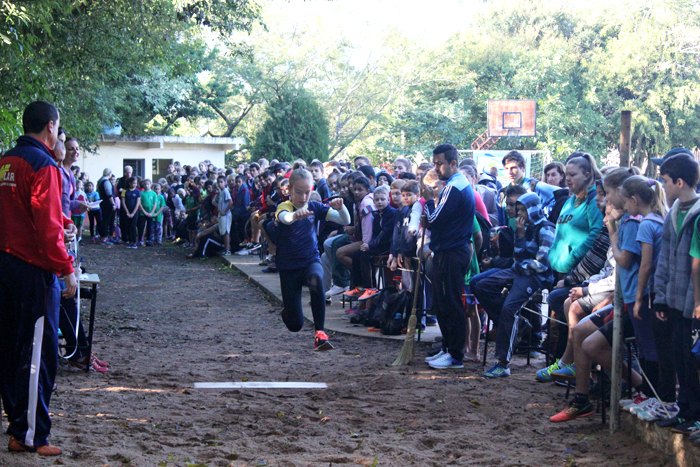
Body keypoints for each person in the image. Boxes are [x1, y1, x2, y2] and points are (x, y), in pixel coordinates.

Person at [0, 101, 77, 456]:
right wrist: (66, 269)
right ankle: (30, 435)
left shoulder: (5, 160)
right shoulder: (44, 164)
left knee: (11, 348)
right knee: (37, 354)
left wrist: (61, 222)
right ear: (50, 126)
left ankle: (18, 424)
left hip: (5, 265)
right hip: (32, 270)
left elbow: (26, 213)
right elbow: (46, 230)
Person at [471, 193, 555, 377]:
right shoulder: (523, 227)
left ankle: (503, 364)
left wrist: (518, 265)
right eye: (519, 210)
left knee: (510, 308)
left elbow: (542, 264)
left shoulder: (546, 229)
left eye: (523, 209)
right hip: (520, 269)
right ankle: (518, 324)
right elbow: (519, 256)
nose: (520, 214)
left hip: (536, 276)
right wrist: (521, 235)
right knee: (478, 283)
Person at [275, 168, 350, 350]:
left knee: (317, 281)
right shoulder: (284, 207)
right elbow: (284, 218)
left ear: (312, 189)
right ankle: (288, 312)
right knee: (295, 325)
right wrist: (294, 215)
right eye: (298, 192)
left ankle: (320, 334)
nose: (303, 197)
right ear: (290, 190)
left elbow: (344, 221)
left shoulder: (315, 207)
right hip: (289, 267)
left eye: (307, 192)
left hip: (310, 260)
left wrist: (342, 208)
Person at [654, 154, 700, 433]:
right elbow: (664, 260)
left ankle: (695, 413)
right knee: (680, 357)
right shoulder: (673, 213)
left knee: (693, 360)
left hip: (693, 304)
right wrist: (660, 295)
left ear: (680, 182)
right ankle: (685, 411)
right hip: (674, 300)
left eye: (666, 181)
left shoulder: (697, 214)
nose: (663, 186)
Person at [422, 143, 475, 370]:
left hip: (453, 252)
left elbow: (434, 221)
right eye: (434, 163)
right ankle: (447, 348)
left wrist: (426, 203)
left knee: (451, 302)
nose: (436, 168)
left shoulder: (455, 187)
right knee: (443, 302)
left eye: (440, 163)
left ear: (453, 163)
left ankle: (455, 355)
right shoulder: (454, 186)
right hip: (447, 250)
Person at [549, 153, 604, 276]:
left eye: (572, 175)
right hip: (560, 270)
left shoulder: (594, 200)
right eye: (566, 175)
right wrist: (552, 255)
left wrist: (573, 257)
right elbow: (559, 233)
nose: (567, 179)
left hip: (580, 272)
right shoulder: (569, 201)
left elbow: (596, 235)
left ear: (586, 176)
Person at [349, 185, 396, 302]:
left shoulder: (391, 213)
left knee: (366, 255)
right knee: (357, 254)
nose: (379, 202)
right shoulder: (376, 213)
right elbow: (375, 233)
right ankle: (358, 286)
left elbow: (385, 233)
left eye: (382, 199)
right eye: (377, 200)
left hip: (387, 245)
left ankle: (370, 287)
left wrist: (370, 245)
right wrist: (368, 244)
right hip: (377, 244)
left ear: (388, 200)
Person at [96, 168, 116, 245]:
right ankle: (104, 237)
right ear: (110, 174)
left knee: (104, 220)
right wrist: (113, 203)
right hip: (107, 203)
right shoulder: (106, 182)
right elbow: (109, 194)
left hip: (103, 203)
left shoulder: (100, 180)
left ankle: (104, 236)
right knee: (106, 220)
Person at [121, 176, 141, 249]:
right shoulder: (125, 191)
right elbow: (123, 202)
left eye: (136, 183)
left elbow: (138, 202)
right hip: (126, 211)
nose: (135, 185)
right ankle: (129, 241)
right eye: (133, 183)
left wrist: (133, 213)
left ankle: (134, 241)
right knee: (128, 226)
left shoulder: (137, 191)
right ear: (129, 183)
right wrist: (127, 212)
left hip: (134, 211)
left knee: (133, 226)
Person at [138, 179, 158, 246]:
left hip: (150, 213)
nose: (146, 185)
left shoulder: (153, 193)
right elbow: (139, 203)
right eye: (145, 184)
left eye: (148, 184)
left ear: (150, 184)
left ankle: (149, 240)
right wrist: (144, 211)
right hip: (143, 213)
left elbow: (155, 203)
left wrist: (152, 212)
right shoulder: (141, 193)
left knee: (150, 226)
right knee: (141, 226)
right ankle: (140, 239)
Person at [216, 175, 232, 255]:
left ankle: (228, 249)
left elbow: (230, 202)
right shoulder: (221, 192)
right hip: (221, 214)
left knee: (226, 232)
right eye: (218, 182)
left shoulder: (226, 191)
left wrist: (225, 211)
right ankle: (225, 248)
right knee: (222, 231)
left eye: (221, 182)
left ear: (225, 182)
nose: (219, 184)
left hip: (226, 215)